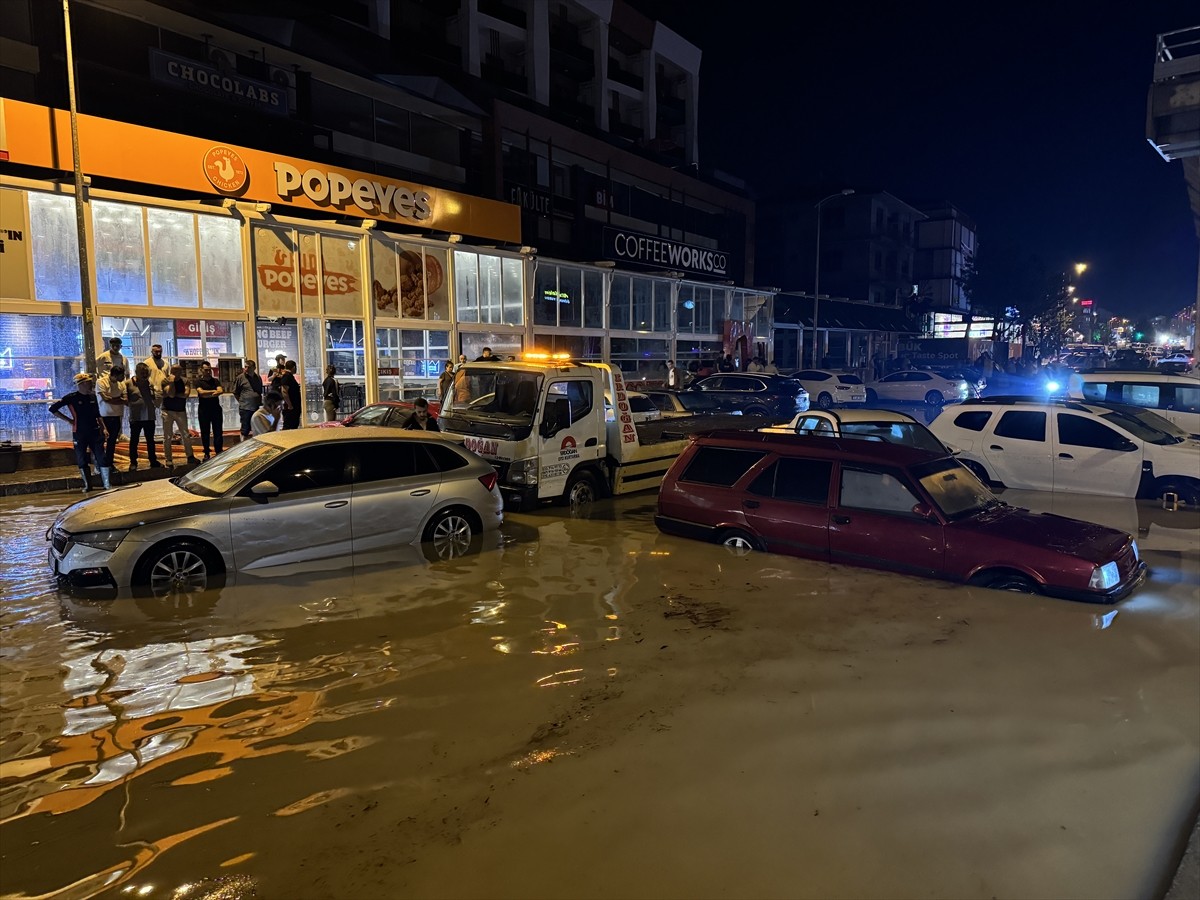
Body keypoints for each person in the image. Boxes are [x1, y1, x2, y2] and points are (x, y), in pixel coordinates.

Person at [49, 373, 111, 492]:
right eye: (88, 383)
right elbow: (53, 409)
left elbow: (98, 415)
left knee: (101, 457)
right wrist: (69, 420)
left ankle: (107, 484)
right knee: (81, 459)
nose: (91, 385)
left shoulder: (93, 397)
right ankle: (88, 485)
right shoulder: (71, 398)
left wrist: (104, 428)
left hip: (94, 431)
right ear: (81, 384)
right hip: (79, 432)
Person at [161, 364, 197, 468]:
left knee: (185, 434)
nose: (176, 373)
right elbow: (170, 394)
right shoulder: (165, 381)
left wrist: (175, 394)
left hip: (180, 410)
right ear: (171, 371)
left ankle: (190, 456)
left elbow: (185, 394)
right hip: (167, 410)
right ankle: (168, 459)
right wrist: (172, 383)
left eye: (178, 371)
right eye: (174, 371)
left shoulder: (185, 381)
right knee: (167, 436)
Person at [127, 362, 161, 471]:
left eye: (146, 373)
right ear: (136, 372)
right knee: (134, 440)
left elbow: (155, 397)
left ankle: (153, 460)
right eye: (142, 373)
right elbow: (124, 399)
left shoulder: (150, 383)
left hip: (149, 416)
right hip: (136, 417)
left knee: (150, 440)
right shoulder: (128, 383)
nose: (145, 375)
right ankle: (133, 462)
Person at [96, 364, 130, 471]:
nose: (123, 378)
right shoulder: (101, 382)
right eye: (121, 376)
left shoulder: (122, 384)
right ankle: (100, 464)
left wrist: (113, 399)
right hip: (103, 417)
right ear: (115, 375)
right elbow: (105, 398)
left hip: (116, 416)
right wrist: (118, 399)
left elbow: (126, 399)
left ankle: (109, 463)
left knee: (112, 442)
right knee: (100, 442)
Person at [195, 361, 224, 460]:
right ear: (201, 370)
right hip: (204, 410)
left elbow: (220, 391)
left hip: (215, 409)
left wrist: (208, 394)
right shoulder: (198, 381)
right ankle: (206, 452)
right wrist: (212, 392)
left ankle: (219, 451)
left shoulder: (215, 381)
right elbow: (201, 393)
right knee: (205, 432)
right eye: (206, 370)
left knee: (218, 432)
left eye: (209, 369)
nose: (208, 372)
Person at [233, 359, 264, 438]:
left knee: (256, 427)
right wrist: (242, 402)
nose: (246, 369)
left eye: (248, 367)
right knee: (245, 429)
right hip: (245, 407)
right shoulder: (240, 378)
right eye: (245, 367)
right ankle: (243, 444)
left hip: (256, 407)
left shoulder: (258, 377)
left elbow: (260, 391)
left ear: (254, 368)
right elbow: (235, 392)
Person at [273, 359, 302, 429]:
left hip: (293, 406)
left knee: (293, 424)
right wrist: (290, 405)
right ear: (294, 367)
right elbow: (284, 391)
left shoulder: (289, 376)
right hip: (290, 408)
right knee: (289, 425)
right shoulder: (287, 376)